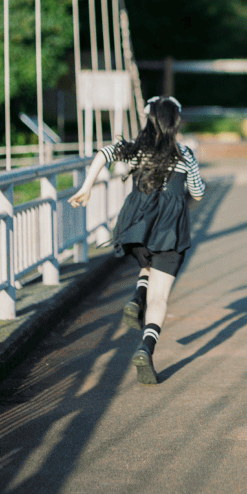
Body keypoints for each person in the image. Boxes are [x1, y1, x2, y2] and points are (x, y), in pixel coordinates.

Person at [70, 95, 204, 384]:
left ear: (149, 119)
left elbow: (105, 153)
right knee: (160, 296)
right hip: (170, 232)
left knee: (147, 264)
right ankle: (146, 346)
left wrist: (87, 186)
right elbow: (198, 193)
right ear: (175, 122)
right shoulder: (185, 155)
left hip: (136, 229)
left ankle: (136, 296)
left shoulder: (135, 151)